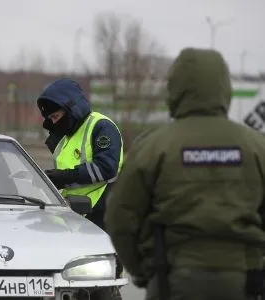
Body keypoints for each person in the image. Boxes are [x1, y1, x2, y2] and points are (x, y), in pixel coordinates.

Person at [104, 47, 265, 300]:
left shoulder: (153, 146)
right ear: (225, 88)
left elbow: (119, 218)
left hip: (172, 279)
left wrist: (143, 271)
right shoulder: (257, 147)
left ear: (175, 89)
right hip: (244, 281)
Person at [36, 78, 124, 230]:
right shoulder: (64, 136)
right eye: (51, 119)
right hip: (73, 214)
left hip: (102, 212)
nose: (54, 123)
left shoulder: (101, 126)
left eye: (56, 117)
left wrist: (65, 177)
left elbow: (107, 167)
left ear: (71, 109)